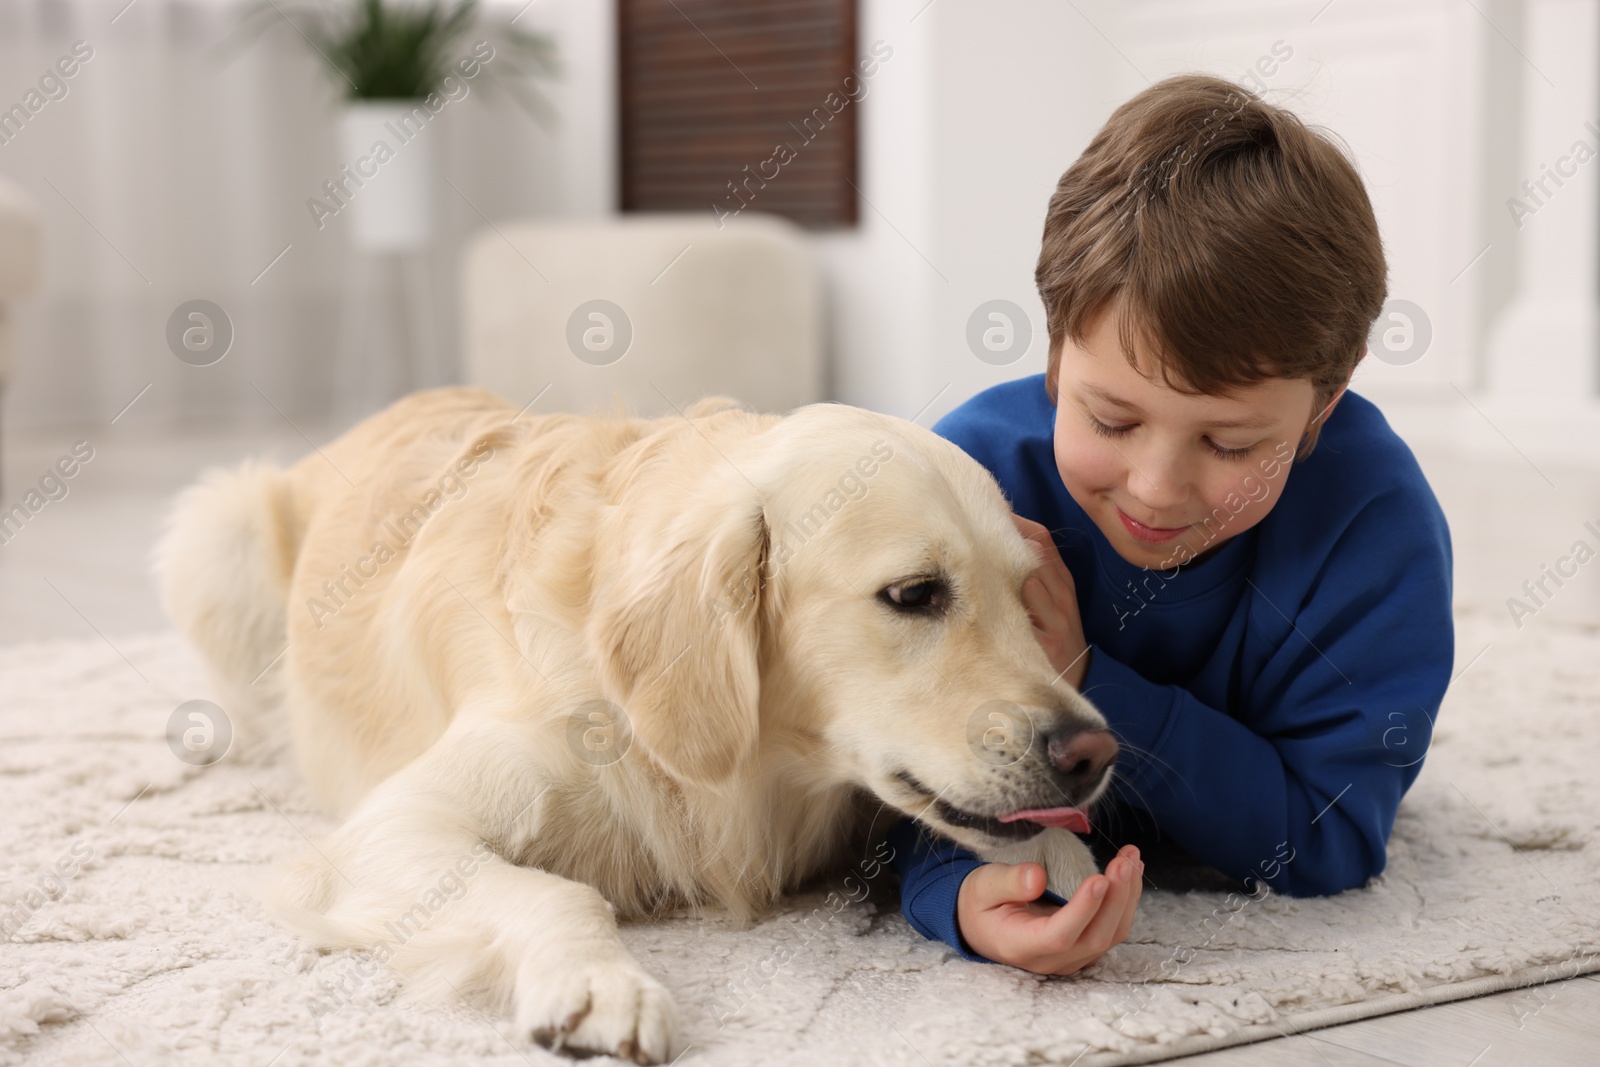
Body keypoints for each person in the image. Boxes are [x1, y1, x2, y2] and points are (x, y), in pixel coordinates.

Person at [887, 72, 1454, 975]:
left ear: (1323, 407)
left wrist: (1084, 674)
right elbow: (895, 774)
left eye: (1231, 444)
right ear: (1055, 351)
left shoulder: (1377, 528)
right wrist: (958, 897)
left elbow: (1330, 836)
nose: (1157, 489)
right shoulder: (970, 481)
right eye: (1110, 421)